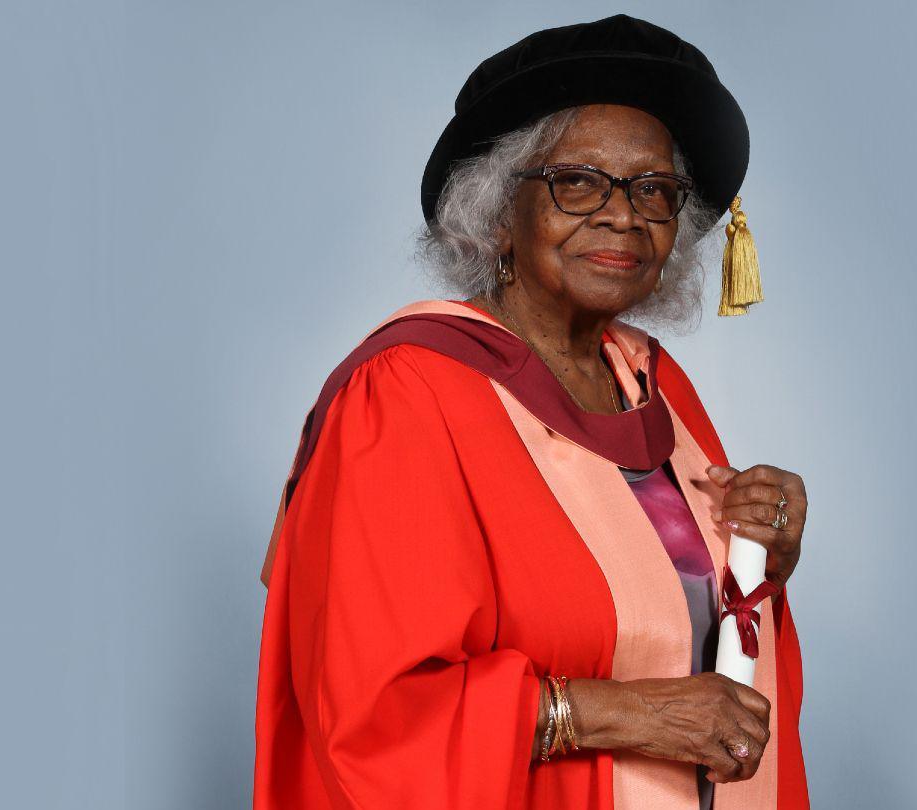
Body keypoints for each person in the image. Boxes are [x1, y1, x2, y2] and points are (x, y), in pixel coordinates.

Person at [253, 14, 810, 810]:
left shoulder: (656, 385)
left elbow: (689, 631)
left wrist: (762, 568)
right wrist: (622, 715)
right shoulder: (408, 392)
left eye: (654, 190)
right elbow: (371, 711)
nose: (625, 215)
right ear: (495, 215)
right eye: (577, 181)